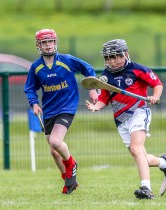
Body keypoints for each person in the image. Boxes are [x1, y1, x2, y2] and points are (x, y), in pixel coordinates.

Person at [85, 39, 166, 199]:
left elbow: (158, 84)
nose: (111, 62)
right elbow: (104, 98)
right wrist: (96, 107)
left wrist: (155, 96)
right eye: (108, 58)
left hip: (139, 112)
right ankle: (163, 163)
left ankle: (146, 188)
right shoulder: (105, 76)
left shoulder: (137, 69)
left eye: (114, 57)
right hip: (121, 120)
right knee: (141, 157)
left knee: (136, 148)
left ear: (125, 54)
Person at [24, 29, 98, 194]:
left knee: (56, 142)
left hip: (67, 106)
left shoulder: (67, 60)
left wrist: (93, 90)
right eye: (44, 43)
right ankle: (69, 179)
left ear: (55, 42)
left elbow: (88, 69)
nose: (48, 45)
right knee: (53, 150)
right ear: (39, 45)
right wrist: (34, 104)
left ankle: (71, 164)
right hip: (49, 110)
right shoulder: (36, 67)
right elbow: (29, 89)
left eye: (51, 41)